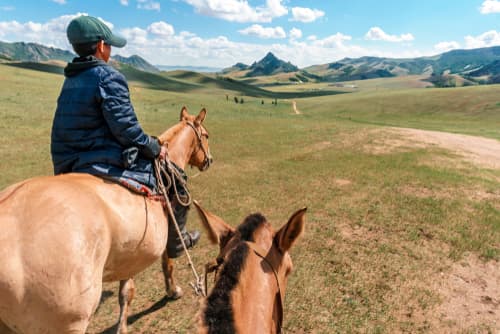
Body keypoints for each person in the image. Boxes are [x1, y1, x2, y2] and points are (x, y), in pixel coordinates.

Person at [50, 15, 199, 257]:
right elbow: (127, 129)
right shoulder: (107, 76)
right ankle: (177, 242)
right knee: (176, 177)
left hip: (67, 162)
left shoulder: (71, 78)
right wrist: (153, 147)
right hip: (98, 161)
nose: (110, 51)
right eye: (109, 45)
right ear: (100, 46)